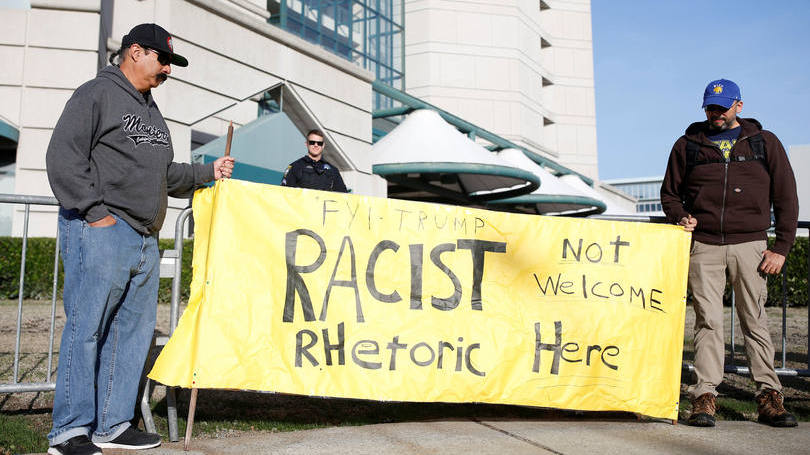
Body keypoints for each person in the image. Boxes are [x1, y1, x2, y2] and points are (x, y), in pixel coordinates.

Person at [45, 23, 235, 455]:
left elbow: (164, 175)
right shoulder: (96, 93)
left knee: (131, 335)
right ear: (135, 52)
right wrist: (95, 215)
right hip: (102, 229)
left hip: (145, 238)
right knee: (86, 329)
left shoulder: (152, 112)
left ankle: (112, 425)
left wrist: (208, 172)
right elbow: (63, 156)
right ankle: (68, 432)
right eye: (162, 59)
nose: (168, 69)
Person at [661, 79, 799, 428]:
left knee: (754, 320)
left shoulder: (764, 143)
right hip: (704, 246)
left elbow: (786, 199)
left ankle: (769, 395)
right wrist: (680, 216)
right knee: (708, 321)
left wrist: (781, 247)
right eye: (710, 107)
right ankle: (705, 395)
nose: (716, 113)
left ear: (739, 106)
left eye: (723, 107)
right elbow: (669, 194)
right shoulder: (687, 145)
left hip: (751, 246)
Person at [280, 129, 348, 192]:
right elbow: (284, 193)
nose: (316, 145)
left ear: (323, 145)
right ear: (306, 144)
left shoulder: (333, 170)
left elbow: (343, 195)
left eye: (319, 143)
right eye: (312, 142)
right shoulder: (295, 167)